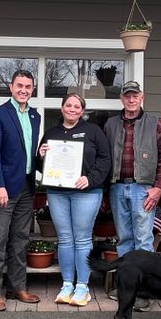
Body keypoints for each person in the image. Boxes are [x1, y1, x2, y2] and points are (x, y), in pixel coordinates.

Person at [103, 81, 161, 309]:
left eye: (135, 96)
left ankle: (144, 291)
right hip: (117, 187)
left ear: (142, 97)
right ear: (122, 99)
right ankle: (127, 286)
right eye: (127, 96)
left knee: (143, 240)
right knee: (124, 239)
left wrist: (159, 187)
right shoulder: (111, 124)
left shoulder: (155, 123)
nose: (131, 100)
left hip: (144, 188)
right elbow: (104, 158)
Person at [38, 94, 112, 307]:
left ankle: (83, 286)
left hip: (86, 193)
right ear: (62, 108)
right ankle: (67, 283)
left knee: (81, 239)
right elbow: (40, 166)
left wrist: (90, 179)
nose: (72, 109)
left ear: (82, 111)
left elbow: (105, 160)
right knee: (64, 238)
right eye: (68, 105)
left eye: (76, 106)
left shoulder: (94, 131)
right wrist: (40, 156)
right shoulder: (52, 133)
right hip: (58, 192)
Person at [0, 70, 42, 312]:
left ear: (32, 89)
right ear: (11, 87)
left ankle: (18, 286)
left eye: (28, 86)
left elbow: (28, 153)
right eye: (20, 85)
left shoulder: (35, 116)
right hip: (3, 189)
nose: (24, 90)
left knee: (20, 240)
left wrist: (43, 155)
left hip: (26, 186)